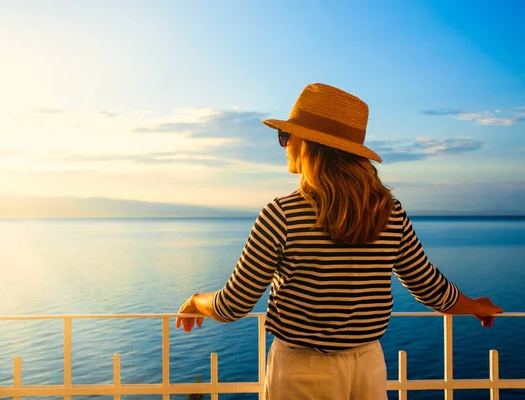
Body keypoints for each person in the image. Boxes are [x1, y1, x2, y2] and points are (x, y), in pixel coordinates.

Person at [175, 83, 503, 400]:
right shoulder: (389, 212)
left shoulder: (282, 215)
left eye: (286, 136)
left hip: (301, 371)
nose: (285, 145)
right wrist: (475, 306)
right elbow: (428, 286)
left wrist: (195, 300)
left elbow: (233, 305)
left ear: (308, 144)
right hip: (369, 367)